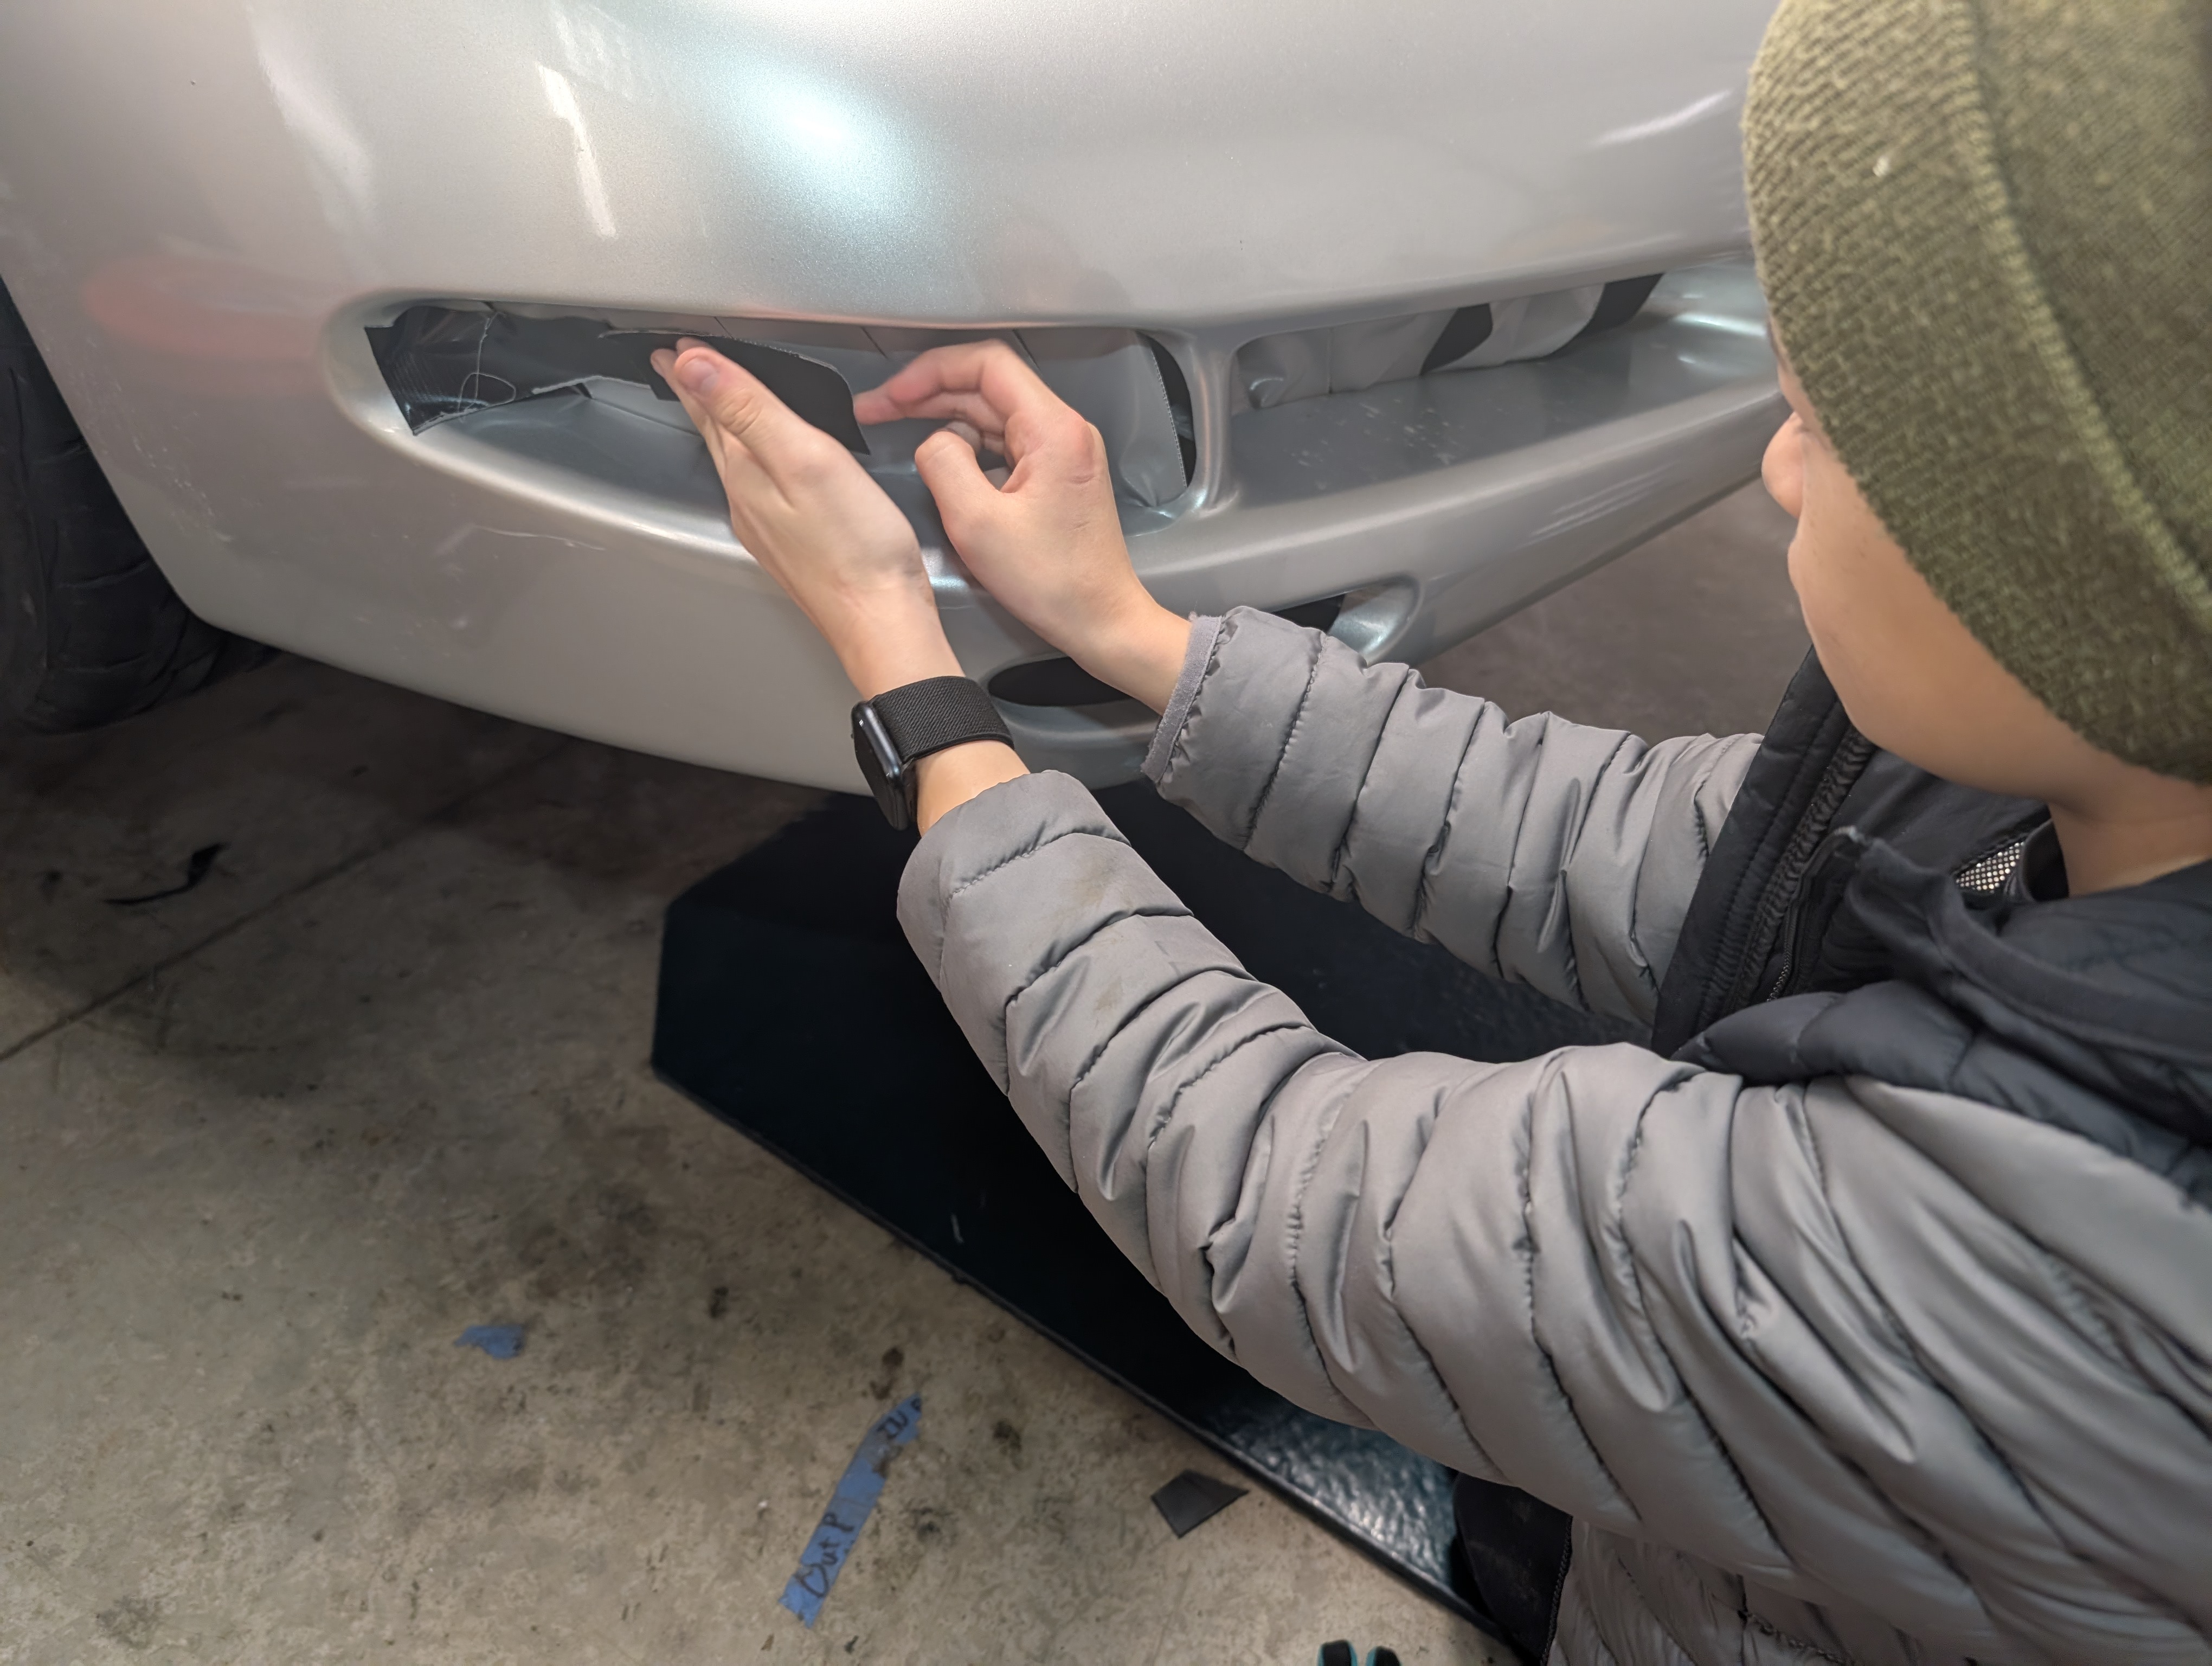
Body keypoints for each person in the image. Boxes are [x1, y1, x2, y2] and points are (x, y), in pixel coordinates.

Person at [650, 0, 2212, 1658]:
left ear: (2078, 581)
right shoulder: (2114, 780)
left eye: (1841, 431)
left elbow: (1272, 1193)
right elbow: (1614, 853)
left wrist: (907, 669)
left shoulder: (2047, 1274)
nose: (1777, 470)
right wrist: (1133, 634)